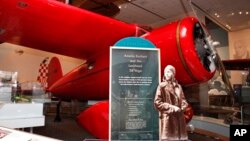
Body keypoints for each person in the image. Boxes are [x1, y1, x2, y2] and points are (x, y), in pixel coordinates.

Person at [154, 65, 188, 140]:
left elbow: (183, 100)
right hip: (168, 119)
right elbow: (157, 103)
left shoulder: (178, 87)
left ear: (173, 73)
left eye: (168, 72)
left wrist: (183, 107)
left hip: (179, 118)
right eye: (165, 72)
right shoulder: (162, 86)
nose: (166, 73)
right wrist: (172, 107)